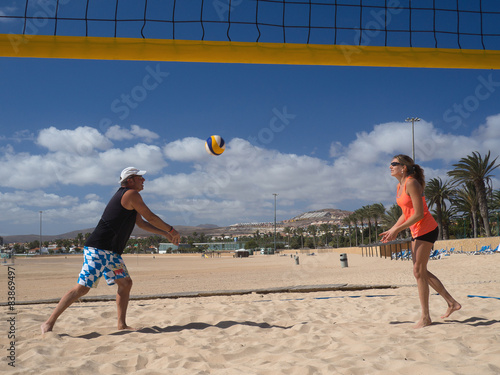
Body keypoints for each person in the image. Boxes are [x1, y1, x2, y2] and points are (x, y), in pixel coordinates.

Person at [41, 167, 180, 333]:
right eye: (140, 178)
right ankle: (48, 323)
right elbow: (150, 216)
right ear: (130, 180)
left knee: (125, 283)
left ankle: (122, 325)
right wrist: (172, 230)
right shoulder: (130, 194)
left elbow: (142, 223)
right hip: (99, 249)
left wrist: (165, 234)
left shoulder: (130, 197)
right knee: (82, 288)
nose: (143, 180)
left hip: (112, 253)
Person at [380, 155, 461, 328]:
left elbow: (419, 214)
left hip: (427, 229)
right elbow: (405, 212)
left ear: (404, 168)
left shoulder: (411, 183)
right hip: (416, 231)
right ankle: (452, 303)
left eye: (393, 164)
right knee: (419, 272)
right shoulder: (400, 186)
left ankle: (426, 318)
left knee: (418, 271)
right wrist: (392, 228)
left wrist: (397, 230)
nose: (390, 167)